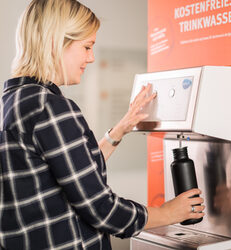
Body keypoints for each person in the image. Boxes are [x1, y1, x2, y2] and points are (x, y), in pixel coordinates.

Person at [0, 0, 205, 249]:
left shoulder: (13, 100)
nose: (92, 57)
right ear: (55, 43)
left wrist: (121, 129)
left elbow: (70, 171)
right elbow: (101, 209)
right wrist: (168, 213)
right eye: (87, 47)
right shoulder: (50, 107)